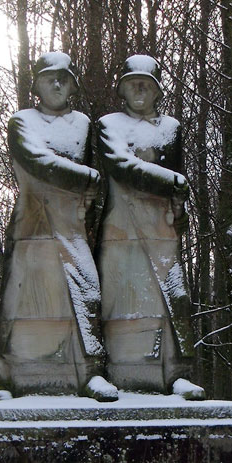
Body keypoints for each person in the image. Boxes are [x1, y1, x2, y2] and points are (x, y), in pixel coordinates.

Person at [0, 52, 117, 400]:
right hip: (32, 223)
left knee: (86, 289)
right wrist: (87, 178)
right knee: (18, 298)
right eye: (50, 78)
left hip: (70, 224)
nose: (58, 84)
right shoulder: (21, 121)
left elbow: (88, 189)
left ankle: (90, 371)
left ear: (73, 84)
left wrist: (84, 189)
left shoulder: (82, 124)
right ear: (37, 85)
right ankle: (7, 377)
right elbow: (36, 161)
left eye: (64, 78)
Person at [95, 54, 204, 398]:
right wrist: (173, 182)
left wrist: (179, 206)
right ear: (122, 89)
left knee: (175, 297)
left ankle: (177, 373)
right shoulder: (108, 125)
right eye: (133, 83)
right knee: (121, 301)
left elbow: (180, 182)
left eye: (147, 84)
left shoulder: (170, 128)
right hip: (120, 228)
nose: (140, 89)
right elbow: (121, 166)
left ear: (158, 91)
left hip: (161, 230)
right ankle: (114, 371)